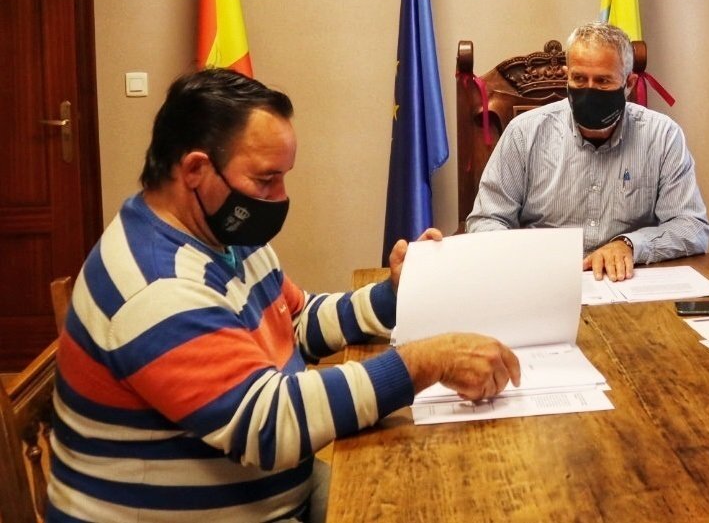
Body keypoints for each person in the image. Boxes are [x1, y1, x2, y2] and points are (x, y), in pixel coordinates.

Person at [48, 69, 521, 522]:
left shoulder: (221, 237)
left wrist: (395, 293)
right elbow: (271, 423)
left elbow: (296, 322)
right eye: (265, 179)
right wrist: (425, 362)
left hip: (273, 497)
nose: (279, 196)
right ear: (195, 169)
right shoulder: (156, 287)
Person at [466, 21, 709, 282]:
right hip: (545, 279)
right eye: (579, 79)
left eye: (603, 81)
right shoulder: (524, 133)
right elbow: (485, 221)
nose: (589, 90)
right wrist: (530, 254)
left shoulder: (662, 135)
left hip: (627, 280)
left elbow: (692, 227)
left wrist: (630, 244)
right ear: (566, 75)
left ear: (629, 83)